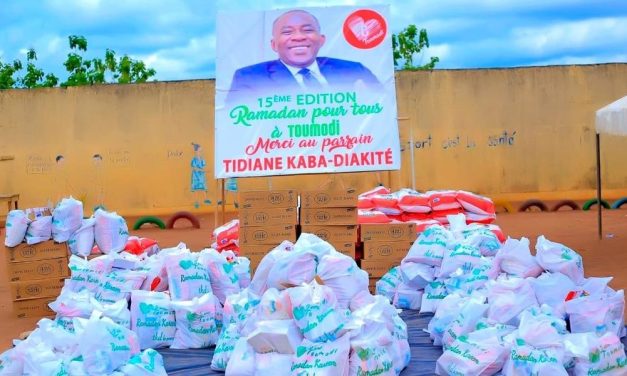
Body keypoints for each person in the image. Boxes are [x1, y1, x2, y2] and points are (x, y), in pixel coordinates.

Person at [226, 9, 381, 101]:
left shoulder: (354, 71)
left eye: (307, 30)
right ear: (274, 45)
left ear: (321, 40)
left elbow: (382, 109)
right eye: (287, 32)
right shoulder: (249, 78)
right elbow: (240, 129)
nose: (299, 37)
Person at [190, 143, 211, 208]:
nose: (200, 152)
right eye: (199, 150)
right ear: (196, 151)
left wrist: (205, 170)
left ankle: (205, 199)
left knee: (203, 188)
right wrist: (202, 170)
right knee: (196, 189)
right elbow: (194, 168)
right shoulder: (194, 160)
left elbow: (204, 166)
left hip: (201, 176)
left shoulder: (202, 159)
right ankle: (196, 202)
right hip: (196, 176)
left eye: (200, 151)